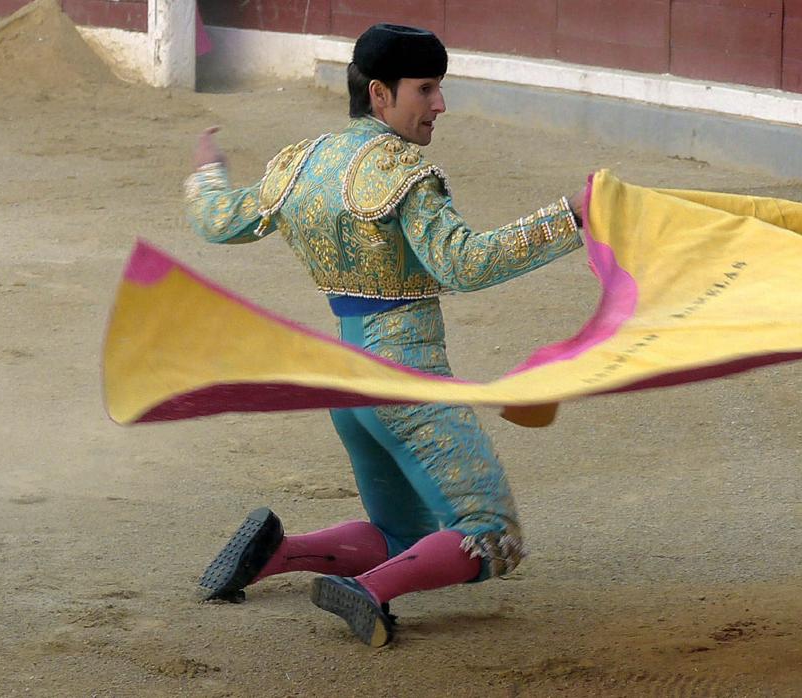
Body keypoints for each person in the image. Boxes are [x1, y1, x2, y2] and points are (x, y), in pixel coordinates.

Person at [183, 23, 588, 648]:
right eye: (425, 90)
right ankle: (368, 591)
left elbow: (218, 221)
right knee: (491, 533)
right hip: (406, 381)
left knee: (401, 532)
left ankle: (278, 555)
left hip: (346, 382)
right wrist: (569, 217)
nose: (440, 105)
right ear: (380, 95)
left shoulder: (302, 163)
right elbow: (464, 264)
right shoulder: (402, 172)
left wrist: (207, 173)